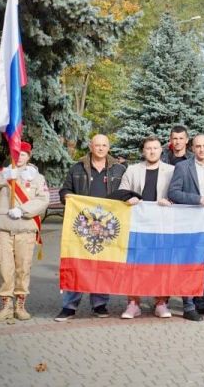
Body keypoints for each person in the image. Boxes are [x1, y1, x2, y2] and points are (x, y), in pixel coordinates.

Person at [54, 134, 126, 321]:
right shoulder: (77, 167)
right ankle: (69, 306)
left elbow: (125, 192)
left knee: (103, 264)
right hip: (82, 226)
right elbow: (65, 190)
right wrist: (67, 197)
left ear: (108, 147)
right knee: (77, 264)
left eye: (104, 145)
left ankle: (100, 304)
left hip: (107, 226)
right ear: (90, 146)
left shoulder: (119, 169)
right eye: (97, 145)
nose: (100, 148)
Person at [0, 141, 49, 323]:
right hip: (4, 229)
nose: (20, 158)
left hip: (25, 229)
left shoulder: (36, 178)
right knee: (5, 267)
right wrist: (6, 177)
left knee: (23, 268)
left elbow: (43, 199)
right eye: (16, 154)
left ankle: (20, 305)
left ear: (29, 156)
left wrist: (23, 210)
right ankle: (6, 306)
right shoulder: (2, 173)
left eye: (23, 154)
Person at [118, 136, 176, 319]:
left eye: (155, 148)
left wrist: (170, 201)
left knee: (161, 264)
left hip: (162, 225)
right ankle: (133, 303)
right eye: (148, 148)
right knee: (135, 264)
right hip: (138, 225)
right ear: (143, 151)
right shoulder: (132, 170)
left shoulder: (172, 171)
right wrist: (129, 198)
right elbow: (122, 190)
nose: (152, 151)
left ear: (161, 150)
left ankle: (160, 302)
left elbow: (177, 193)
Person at [168, 133, 204, 320]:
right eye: (198, 146)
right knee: (190, 263)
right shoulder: (183, 167)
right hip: (190, 223)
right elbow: (173, 192)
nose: (201, 149)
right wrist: (198, 199)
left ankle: (202, 301)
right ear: (192, 148)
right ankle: (188, 305)